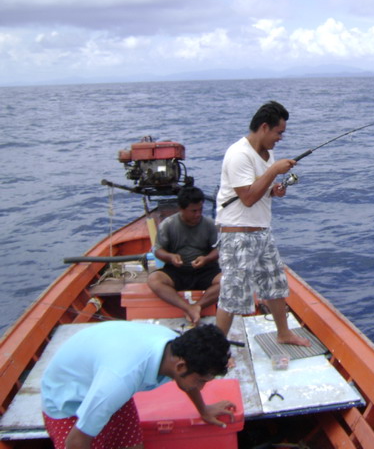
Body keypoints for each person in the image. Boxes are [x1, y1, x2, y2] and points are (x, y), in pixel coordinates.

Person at [41, 321, 235, 449]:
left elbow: (188, 380)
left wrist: (203, 410)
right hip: (68, 402)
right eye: (201, 381)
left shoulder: (174, 348)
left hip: (105, 385)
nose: (200, 388)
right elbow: (76, 441)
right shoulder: (119, 381)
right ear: (181, 366)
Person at [215, 101, 310, 347]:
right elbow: (246, 198)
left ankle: (284, 333)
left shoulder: (268, 155)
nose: (280, 138)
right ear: (265, 127)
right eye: (279, 133)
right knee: (233, 296)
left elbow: (258, 191)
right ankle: (214, 350)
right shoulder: (238, 154)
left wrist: (273, 191)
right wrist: (274, 172)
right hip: (238, 235)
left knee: (275, 283)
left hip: (262, 232)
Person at [148, 186, 220, 325]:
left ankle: (198, 306)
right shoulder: (168, 225)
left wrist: (206, 259)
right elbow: (158, 250)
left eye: (200, 210)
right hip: (177, 271)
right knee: (154, 280)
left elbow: (218, 250)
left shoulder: (209, 224)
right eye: (193, 211)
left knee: (227, 281)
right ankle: (188, 308)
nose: (198, 214)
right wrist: (171, 257)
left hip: (204, 270)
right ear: (181, 209)